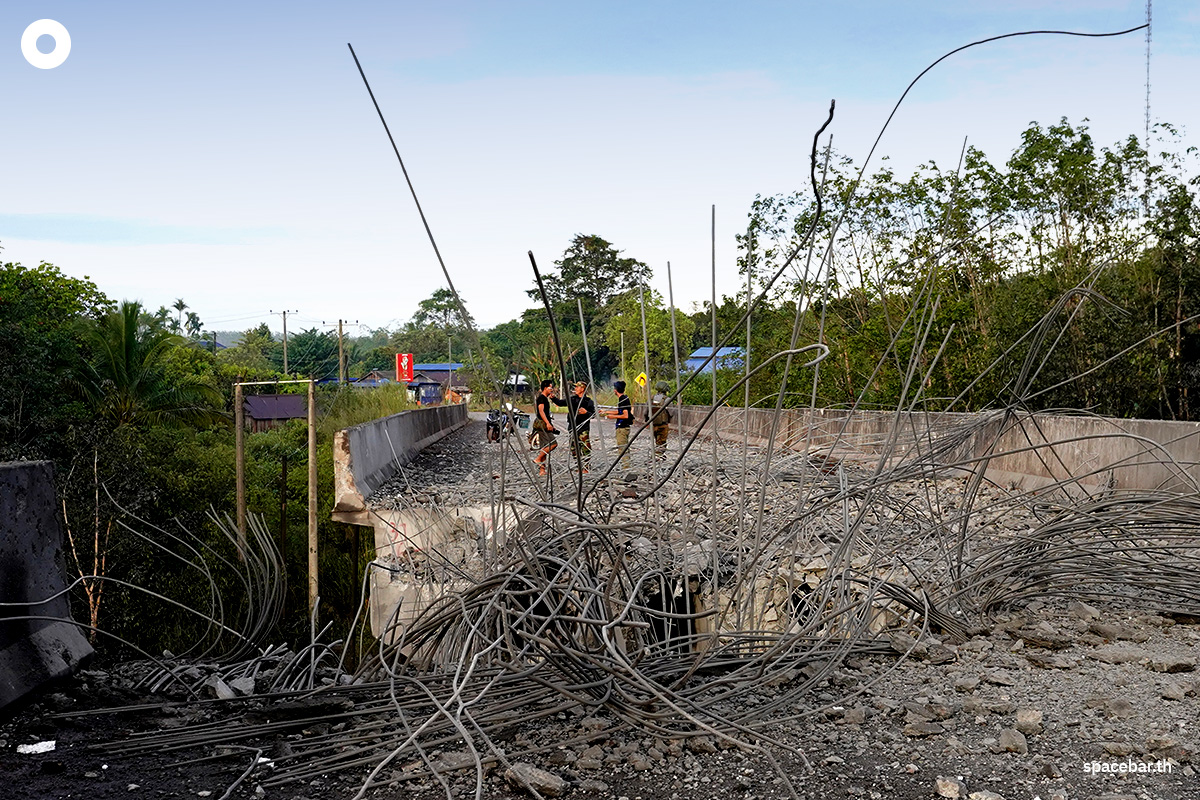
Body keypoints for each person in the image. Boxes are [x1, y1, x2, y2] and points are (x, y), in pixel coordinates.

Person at [602, 380, 634, 470]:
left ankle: (626, 468)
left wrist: (611, 416)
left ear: (616, 390)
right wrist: (606, 411)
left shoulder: (623, 400)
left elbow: (625, 415)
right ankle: (625, 466)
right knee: (624, 448)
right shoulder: (624, 398)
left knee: (622, 449)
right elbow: (620, 411)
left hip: (622, 428)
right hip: (624, 427)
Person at [565, 381, 596, 471]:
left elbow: (593, 415)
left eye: (577, 387)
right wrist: (553, 398)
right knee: (573, 448)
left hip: (583, 429)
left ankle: (586, 466)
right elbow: (560, 402)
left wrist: (586, 413)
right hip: (572, 427)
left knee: (585, 448)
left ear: (582, 389)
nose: (575, 389)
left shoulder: (588, 402)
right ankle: (578, 465)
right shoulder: (572, 399)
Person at [532, 379, 559, 476]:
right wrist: (547, 423)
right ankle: (538, 458)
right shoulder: (541, 398)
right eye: (550, 388)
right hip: (542, 424)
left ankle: (542, 470)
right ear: (545, 388)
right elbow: (541, 411)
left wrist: (551, 424)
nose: (551, 389)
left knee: (544, 446)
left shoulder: (545, 398)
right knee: (553, 444)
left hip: (545, 423)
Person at [649, 380, 671, 460]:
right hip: (663, 424)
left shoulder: (651, 398)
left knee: (657, 441)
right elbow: (671, 412)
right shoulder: (667, 399)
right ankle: (656, 457)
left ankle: (658, 456)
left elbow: (646, 411)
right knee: (662, 442)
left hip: (653, 424)